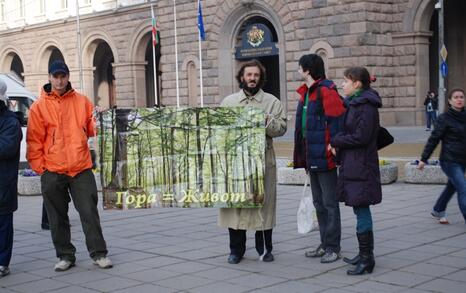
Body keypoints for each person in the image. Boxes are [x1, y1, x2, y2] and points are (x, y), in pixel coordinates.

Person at [26, 60, 112, 271]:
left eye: (63, 76)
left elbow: (93, 128)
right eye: (56, 76)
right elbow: (34, 140)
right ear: (49, 77)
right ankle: (65, 255)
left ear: (68, 77)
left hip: (80, 166)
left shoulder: (82, 101)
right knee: (57, 216)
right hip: (52, 169)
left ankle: (98, 253)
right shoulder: (39, 107)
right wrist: (41, 169)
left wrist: (98, 118)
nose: (59, 80)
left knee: (89, 211)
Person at [219, 59, 287, 264]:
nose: (252, 78)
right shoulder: (229, 102)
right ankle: (236, 251)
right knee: (236, 206)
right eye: (249, 75)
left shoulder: (272, 102)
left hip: (263, 162)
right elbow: (218, 132)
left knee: (263, 206)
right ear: (242, 77)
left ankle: (265, 249)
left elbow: (281, 129)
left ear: (261, 78)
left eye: (256, 75)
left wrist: (267, 121)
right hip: (235, 164)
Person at [329, 67, 382, 275]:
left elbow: (361, 136)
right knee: (358, 208)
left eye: (345, 81)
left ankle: (367, 258)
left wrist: (336, 140)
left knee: (362, 208)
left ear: (357, 83)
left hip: (362, 165)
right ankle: (364, 254)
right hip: (355, 163)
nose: (343, 84)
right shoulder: (355, 103)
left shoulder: (366, 106)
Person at [293, 54, 345, 263]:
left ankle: (333, 247)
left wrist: (334, 148)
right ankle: (325, 244)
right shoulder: (305, 93)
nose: (298, 70)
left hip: (325, 157)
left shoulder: (326, 91)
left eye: (300, 67)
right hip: (311, 155)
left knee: (330, 203)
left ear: (307, 69)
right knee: (319, 203)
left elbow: (337, 121)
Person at [418, 88, 466, 224]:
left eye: (461, 97)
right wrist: (424, 159)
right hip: (449, 161)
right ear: (450, 101)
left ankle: (438, 210)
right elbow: (434, 139)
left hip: (463, 160)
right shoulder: (444, 119)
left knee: (452, 186)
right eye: (456, 97)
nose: (459, 99)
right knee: (463, 188)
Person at [0, 79, 22, 278]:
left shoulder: (10, 121)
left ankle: (2, 263)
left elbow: (6, 148)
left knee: (3, 224)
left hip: (3, 184)